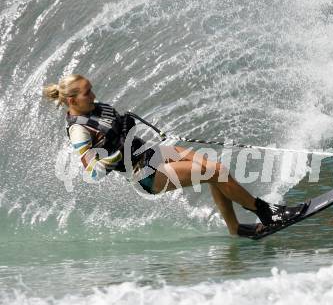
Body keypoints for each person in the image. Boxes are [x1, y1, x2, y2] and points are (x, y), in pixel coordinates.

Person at [43, 74, 306, 237]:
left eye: (91, 88)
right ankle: (267, 214)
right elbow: (92, 172)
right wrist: (117, 154)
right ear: (72, 100)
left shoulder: (99, 108)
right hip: (141, 172)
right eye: (88, 92)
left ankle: (235, 229)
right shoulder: (78, 129)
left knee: (215, 168)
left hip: (152, 153)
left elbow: (124, 130)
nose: (94, 94)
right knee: (212, 172)